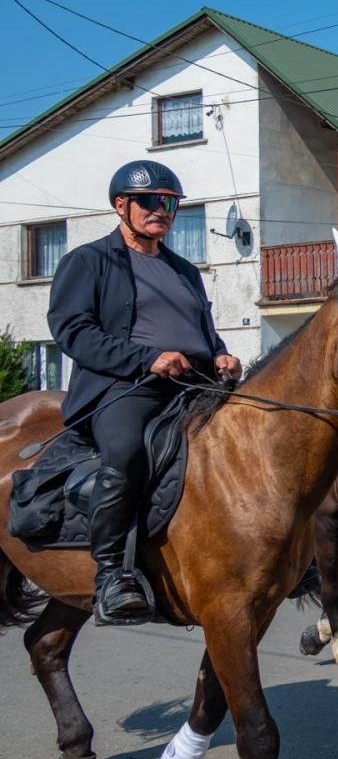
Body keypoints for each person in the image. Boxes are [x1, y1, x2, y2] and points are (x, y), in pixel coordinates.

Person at [47, 160, 241, 625]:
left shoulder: (184, 270)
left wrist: (220, 355)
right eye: (151, 201)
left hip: (195, 385)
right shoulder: (88, 260)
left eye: (170, 204)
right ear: (121, 205)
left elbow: (203, 331)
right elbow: (73, 330)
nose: (162, 211)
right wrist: (145, 358)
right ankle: (112, 575)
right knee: (128, 451)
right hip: (128, 386)